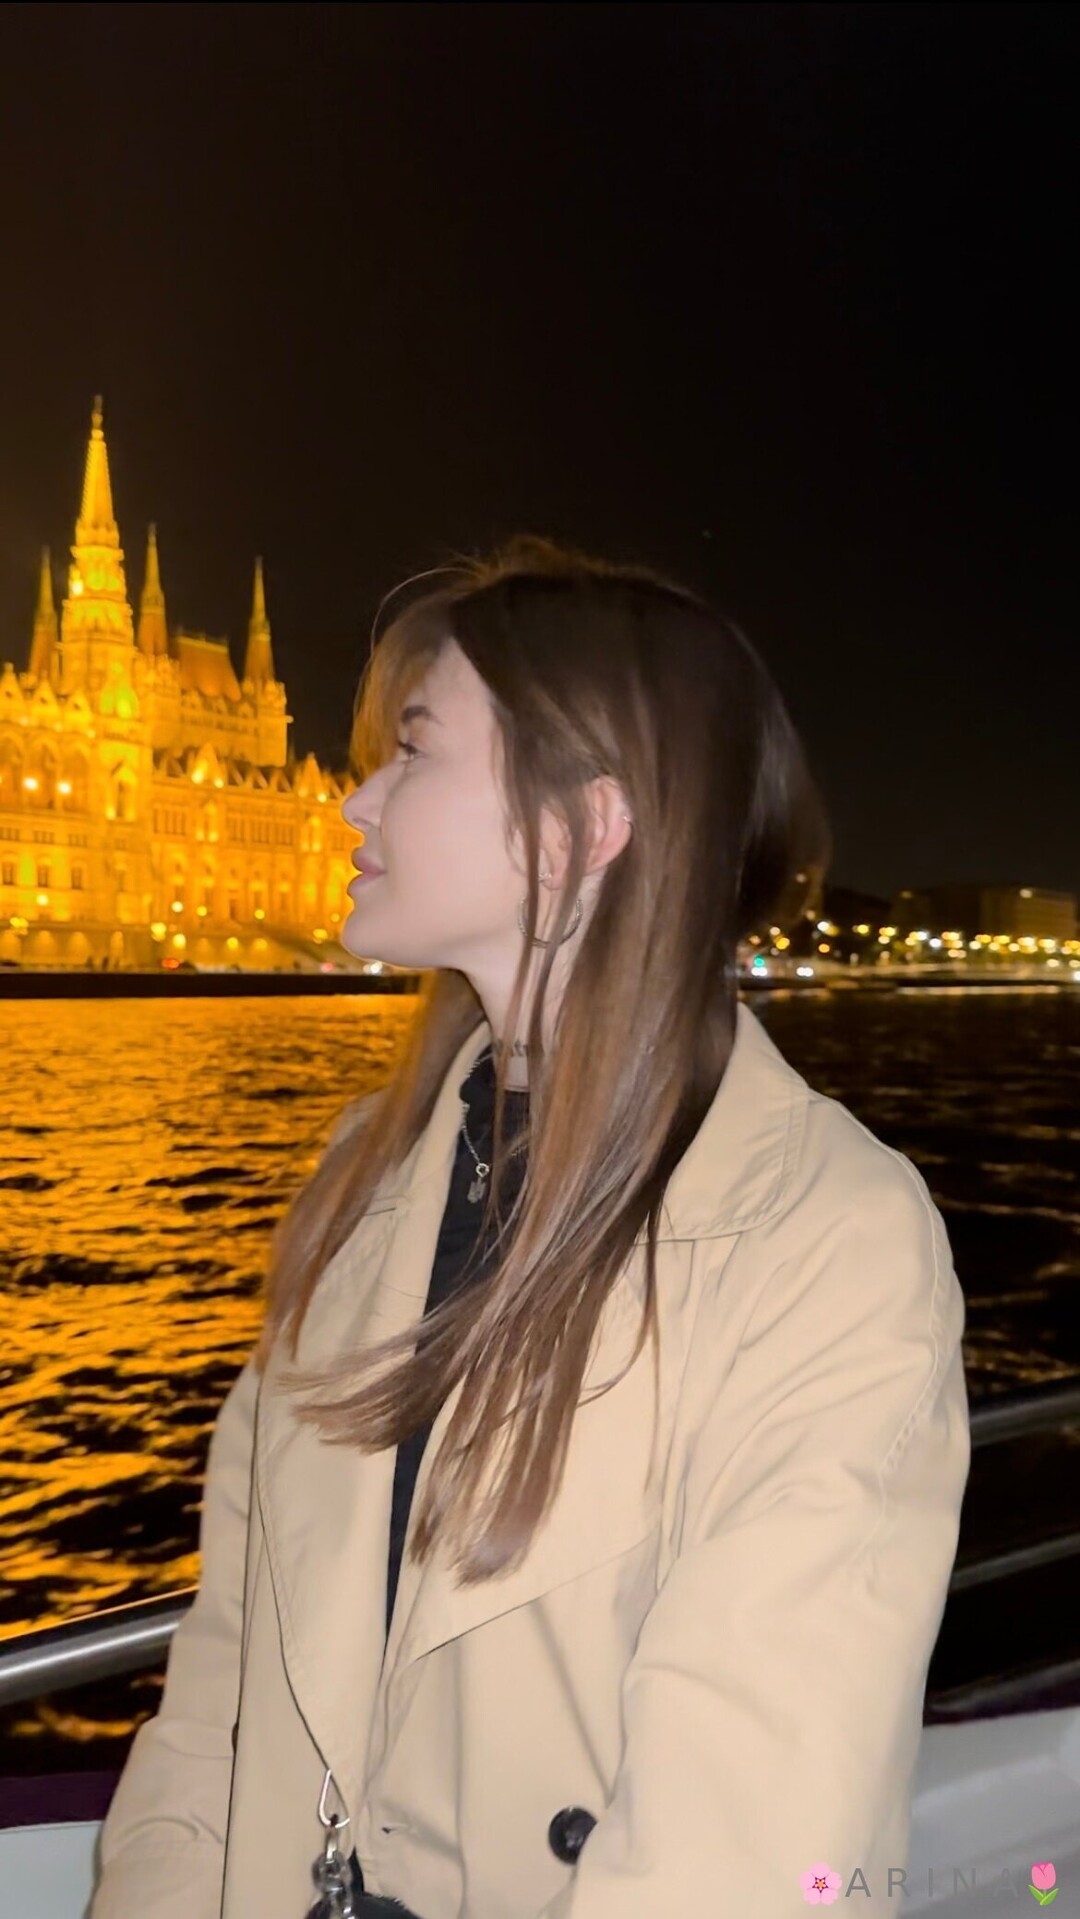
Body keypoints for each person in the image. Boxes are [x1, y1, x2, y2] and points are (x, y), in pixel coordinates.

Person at [90, 535, 971, 1919]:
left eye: (413, 752)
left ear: (579, 826)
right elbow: (225, 1691)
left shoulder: (832, 1241)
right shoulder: (359, 1181)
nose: (354, 800)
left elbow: (743, 1855)